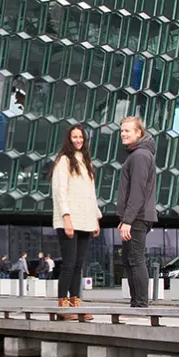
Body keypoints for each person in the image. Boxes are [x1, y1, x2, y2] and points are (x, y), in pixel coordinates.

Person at [51, 124, 101, 320]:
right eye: (75, 137)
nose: (78, 140)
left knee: (79, 265)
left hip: (86, 219)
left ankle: (76, 302)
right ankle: (63, 306)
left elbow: (91, 193)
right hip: (69, 220)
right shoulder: (63, 161)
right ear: (68, 139)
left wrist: (96, 218)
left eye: (81, 137)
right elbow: (59, 191)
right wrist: (66, 218)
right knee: (69, 264)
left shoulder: (87, 162)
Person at [116, 116, 159, 308]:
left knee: (135, 260)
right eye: (122, 131)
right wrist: (125, 219)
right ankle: (136, 304)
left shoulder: (140, 155)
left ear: (138, 133)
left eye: (128, 131)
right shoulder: (137, 155)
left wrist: (128, 220)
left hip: (138, 218)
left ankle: (141, 305)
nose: (123, 134)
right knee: (129, 260)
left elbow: (137, 192)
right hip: (135, 217)